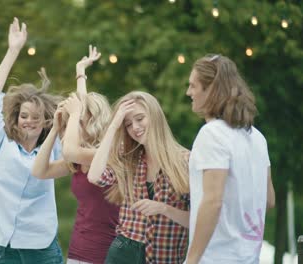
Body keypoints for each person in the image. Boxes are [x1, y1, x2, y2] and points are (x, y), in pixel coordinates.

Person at [0, 17, 63, 264]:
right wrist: (13, 50)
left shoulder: (53, 149)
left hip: (43, 249)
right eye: (24, 115)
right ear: (15, 119)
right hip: (5, 249)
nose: (29, 121)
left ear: (46, 122)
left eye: (36, 117)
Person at [184, 54, 276, 263]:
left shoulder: (212, 134)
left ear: (211, 90)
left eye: (193, 86)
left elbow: (213, 201)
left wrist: (191, 260)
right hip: (249, 257)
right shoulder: (257, 137)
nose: (188, 92)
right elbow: (269, 199)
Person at [32, 46, 119, 264]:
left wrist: (75, 113)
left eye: (79, 120)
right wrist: (54, 128)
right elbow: (39, 171)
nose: (74, 125)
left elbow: (71, 148)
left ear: (93, 121)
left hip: (109, 252)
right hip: (79, 251)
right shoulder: (78, 162)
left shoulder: (107, 153)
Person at [87, 91, 191, 264]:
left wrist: (163, 209)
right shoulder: (128, 158)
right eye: (127, 124)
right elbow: (94, 176)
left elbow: (197, 219)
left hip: (164, 257)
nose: (134, 127)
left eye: (140, 118)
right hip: (123, 252)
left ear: (155, 117)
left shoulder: (185, 161)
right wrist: (113, 126)